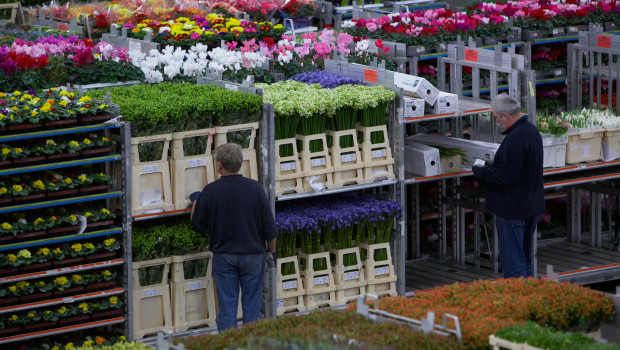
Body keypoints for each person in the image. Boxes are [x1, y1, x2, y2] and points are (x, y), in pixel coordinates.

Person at [190, 143, 277, 332]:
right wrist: (271, 253)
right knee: (253, 309)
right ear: (240, 164)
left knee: (227, 310)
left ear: (219, 165)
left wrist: (196, 201)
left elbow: (197, 225)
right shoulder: (255, 188)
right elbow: (270, 227)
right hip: (254, 256)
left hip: (224, 257)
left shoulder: (211, 191)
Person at [471, 93, 545, 279]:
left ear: (505, 115)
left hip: (513, 209)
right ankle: (528, 299)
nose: (497, 122)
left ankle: (517, 304)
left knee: (513, 264)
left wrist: (483, 172)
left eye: (496, 118)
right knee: (525, 258)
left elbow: (507, 176)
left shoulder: (515, 139)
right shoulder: (532, 131)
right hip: (531, 206)